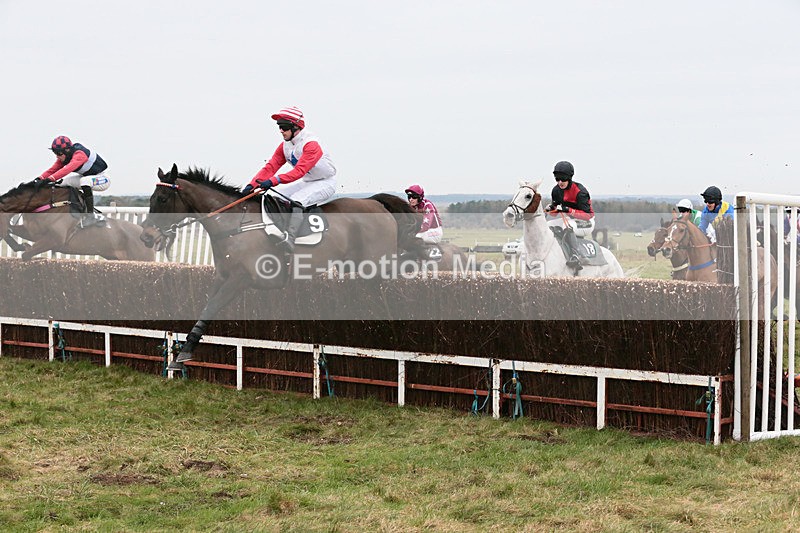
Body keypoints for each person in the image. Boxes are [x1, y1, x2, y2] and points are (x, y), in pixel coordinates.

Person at [242, 106, 337, 253]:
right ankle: (277, 231)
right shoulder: (285, 146)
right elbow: (271, 167)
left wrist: (273, 181)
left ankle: (290, 239)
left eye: (284, 127)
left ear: (296, 127)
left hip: (325, 182)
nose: (281, 130)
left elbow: (299, 171)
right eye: (279, 127)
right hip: (308, 182)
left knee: (297, 200)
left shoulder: (311, 144)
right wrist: (252, 185)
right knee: (273, 196)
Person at [37, 135, 110, 227]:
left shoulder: (80, 154)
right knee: (62, 183)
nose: (57, 156)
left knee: (85, 181)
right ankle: (77, 209)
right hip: (88, 177)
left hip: (103, 179)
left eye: (58, 153)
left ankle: (91, 216)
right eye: (55, 153)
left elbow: (66, 170)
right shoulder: (65, 156)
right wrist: (39, 179)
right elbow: (52, 170)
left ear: (67, 150)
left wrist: (48, 179)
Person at [544, 161, 595, 270]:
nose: (560, 182)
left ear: (569, 178)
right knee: (548, 225)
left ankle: (575, 256)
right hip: (569, 219)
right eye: (557, 179)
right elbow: (555, 213)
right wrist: (550, 210)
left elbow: (588, 215)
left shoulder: (580, 191)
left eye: (563, 179)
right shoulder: (556, 191)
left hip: (587, 223)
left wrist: (569, 210)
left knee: (566, 226)